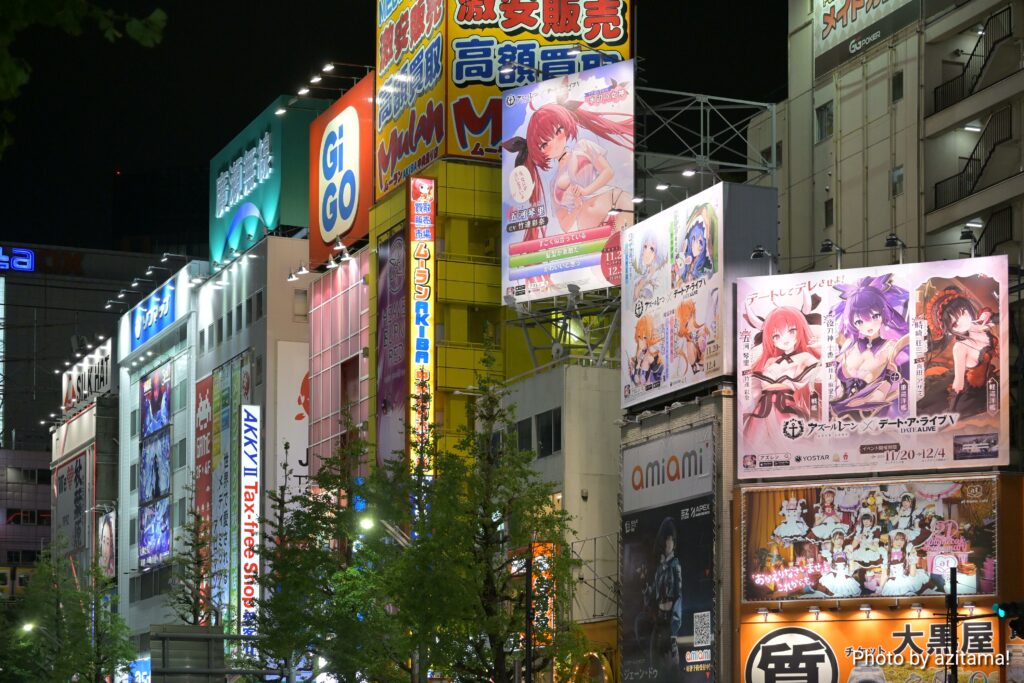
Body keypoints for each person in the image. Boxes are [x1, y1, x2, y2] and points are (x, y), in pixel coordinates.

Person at [502, 96, 634, 240]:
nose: (555, 141)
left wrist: (586, 191)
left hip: (616, 203)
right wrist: (577, 208)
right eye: (544, 144)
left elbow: (608, 171)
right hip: (591, 231)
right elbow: (564, 225)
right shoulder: (553, 185)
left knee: (629, 249)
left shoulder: (583, 146)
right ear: (538, 151)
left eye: (558, 131)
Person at [830, 274, 911, 421]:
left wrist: (847, 406)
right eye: (859, 321)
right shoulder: (848, 345)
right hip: (836, 423)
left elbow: (888, 392)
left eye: (874, 317)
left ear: (883, 313)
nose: (868, 325)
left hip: (873, 423)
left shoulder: (892, 348)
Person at [742, 304, 821, 445]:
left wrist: (821, 350)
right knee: (753, 447)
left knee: (792, 446)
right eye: (776, 335)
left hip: (786, 409)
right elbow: (753, 390)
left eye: (791, 331)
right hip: (761, 411)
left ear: (800, 330)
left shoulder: (805, 357)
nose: (784, 339)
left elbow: (821, 376)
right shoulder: (769, 361)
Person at [925, 287, 998, 419]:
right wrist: (951, 410)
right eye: (954, 324)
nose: (963, 321)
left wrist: (987, 314)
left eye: (963, 312)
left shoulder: (976, 326)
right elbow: (958, 383)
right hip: (971, 392)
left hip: (988, 382)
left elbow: (992, 316)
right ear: (948, 329)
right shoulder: (959, 347)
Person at [639, 517, 682, 676]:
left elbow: (679, 596)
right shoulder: (659, 569)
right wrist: (644, 584)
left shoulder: (675, 565)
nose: (667, 543)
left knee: (671, 666)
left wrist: (674, 629)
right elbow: (651, 595)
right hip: (658, 620)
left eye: (670, 539)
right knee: (655, 663)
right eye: (665, 539)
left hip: (669, 622)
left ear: (674, 542)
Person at [671, 205, 715, 287]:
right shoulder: (687, 260)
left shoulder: (706, 266)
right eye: (693, 238)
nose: (695, 244)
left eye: (700, 242)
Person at [877, 531, 925, 596]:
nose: (899, 542)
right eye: (896, 539)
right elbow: (885, 574)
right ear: (891, 540)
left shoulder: (907, 552)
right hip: (892, 584)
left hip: (907, 581)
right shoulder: (885, 554)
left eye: (902, 540)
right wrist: (880, 589)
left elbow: (912, 574)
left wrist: (912, 558)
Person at [672, 299, 708, 381]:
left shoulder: (701, 327)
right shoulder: (683, 336)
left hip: (704, 370)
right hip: (694, 374)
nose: (685, 317)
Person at [818, 529, 860, 598]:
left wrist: (848, 574)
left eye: (841, 539)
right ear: (832, 540)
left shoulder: (847, 552)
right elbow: (825, 568)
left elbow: (851, 568)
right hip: (832, 578)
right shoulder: (828, 553)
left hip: (845, 578)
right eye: (837, 539)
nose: (839, 541)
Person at [627, 314, 665, 387]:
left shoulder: (653, 356)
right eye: (639, 337)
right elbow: (635, 382)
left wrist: (652, 363)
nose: (642, 342)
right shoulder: (636, 357)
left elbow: (658, 377)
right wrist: (633, 372)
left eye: (645, 338)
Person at [631, 232, 666, 301]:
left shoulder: (657, 273)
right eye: (645, 247)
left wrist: (650, 276)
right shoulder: (639, 270)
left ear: (656, 255)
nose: (647, 252)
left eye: (652, 249)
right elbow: (634, 296)